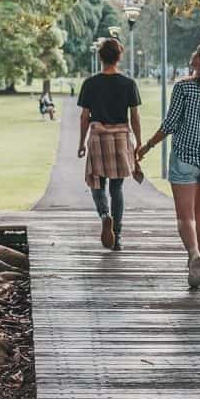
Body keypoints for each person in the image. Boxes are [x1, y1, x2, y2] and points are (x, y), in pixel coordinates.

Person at [137, 41, 200, 288]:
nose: (193, 55)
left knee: (185, 216)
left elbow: (169, 125)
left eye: (197, 53)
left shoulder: (183, 88)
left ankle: (193, 255)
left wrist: (147, 146)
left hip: (184, 159)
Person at [76, 39, 143, 252]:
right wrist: (138, 142)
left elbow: (84, 117)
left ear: (100, 57)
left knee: (96, 183)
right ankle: (117, 235)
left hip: (98, 138)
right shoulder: (128, 83)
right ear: (119, 57)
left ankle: (105, 215)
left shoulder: (90, 83)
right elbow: (135, 117)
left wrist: (81, 143)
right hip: (120, 138)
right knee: (117, 187)